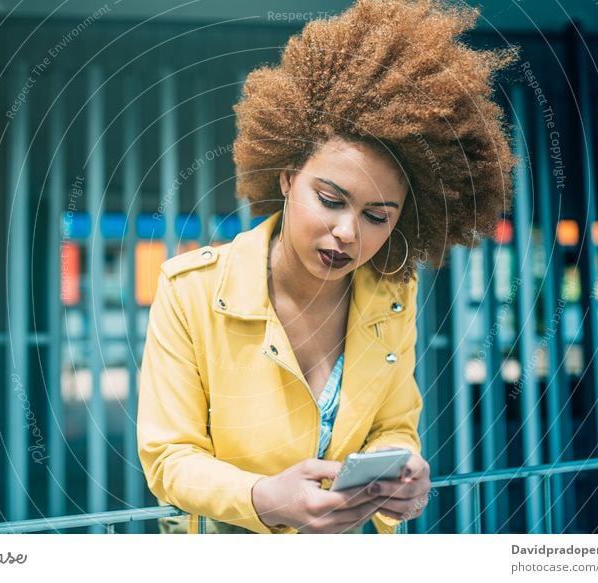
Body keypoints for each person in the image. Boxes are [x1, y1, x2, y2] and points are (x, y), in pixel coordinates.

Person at [137, 0, 515, 534]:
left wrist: (402, 474)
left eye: (377, 216)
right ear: (289, 175)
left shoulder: (392, 296)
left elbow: (393, 425)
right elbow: (168, 457)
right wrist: (263, 498)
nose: (348, 233)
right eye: (331, 199)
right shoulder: (190, 291)